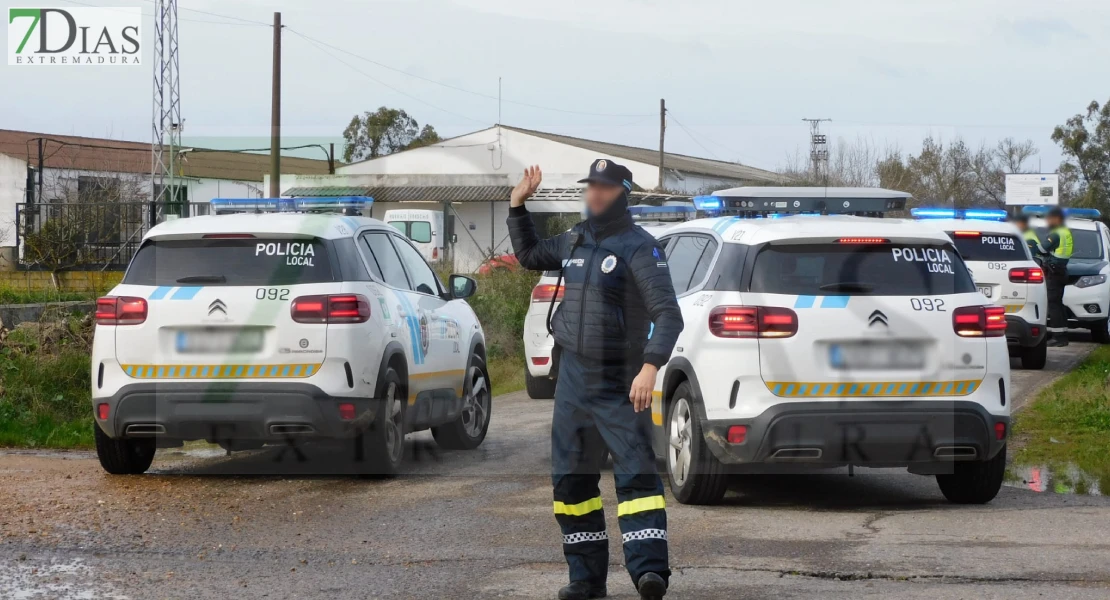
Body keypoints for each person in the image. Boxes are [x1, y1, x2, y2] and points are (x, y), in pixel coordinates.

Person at [506, 159, 684, 600]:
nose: (595, 194)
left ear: (623, 191)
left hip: (619, 379)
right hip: (572, 377)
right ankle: (585, 579)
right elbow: (529, 256)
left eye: (604, 188)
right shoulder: (575, 239)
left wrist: (649, 367)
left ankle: (649, 573)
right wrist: (517, 207)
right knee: (571, 482)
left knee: (636, 476)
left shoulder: (640, 248)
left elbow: (668, 315)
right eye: (591, 187)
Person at [1041, 207, 1074, 347]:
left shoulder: (1055, 234)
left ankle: (1058, 337)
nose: (1048, 221)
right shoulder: (1066, 232)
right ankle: (1062, 335)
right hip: (1061, 271)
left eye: (1049, 218)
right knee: (1058, 305)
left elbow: (1042, 249)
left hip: (1054, 272)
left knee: (1053, 304)